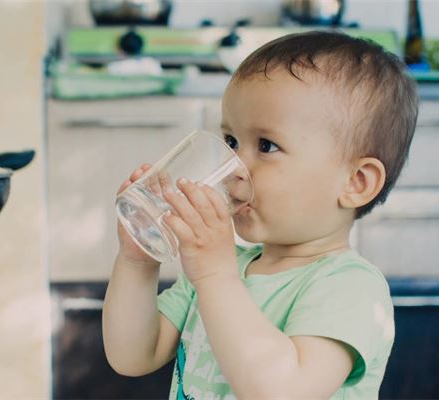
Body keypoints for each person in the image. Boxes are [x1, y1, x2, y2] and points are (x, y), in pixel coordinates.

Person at [102, 30, 418, 399]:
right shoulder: (219, 269)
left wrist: (215, 275)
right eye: (232, 141)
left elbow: (281, 391)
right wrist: (139, 262)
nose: (234, 166)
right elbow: (132, 355)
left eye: (266, 145)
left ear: (356, 183)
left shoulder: (350, 288)